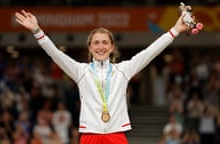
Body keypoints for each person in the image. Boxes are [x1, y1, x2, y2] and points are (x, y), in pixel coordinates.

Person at [14, 5, 192, 144]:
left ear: (112, 47)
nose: (101, 46)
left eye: (105, 42)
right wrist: (37, 31)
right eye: (96, 43)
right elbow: (55, 54)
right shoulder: (80, 71)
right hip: (89, 135)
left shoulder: (123, 70)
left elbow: (150, 52)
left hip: (116, 135)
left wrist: (175, 30)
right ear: (90, 47)